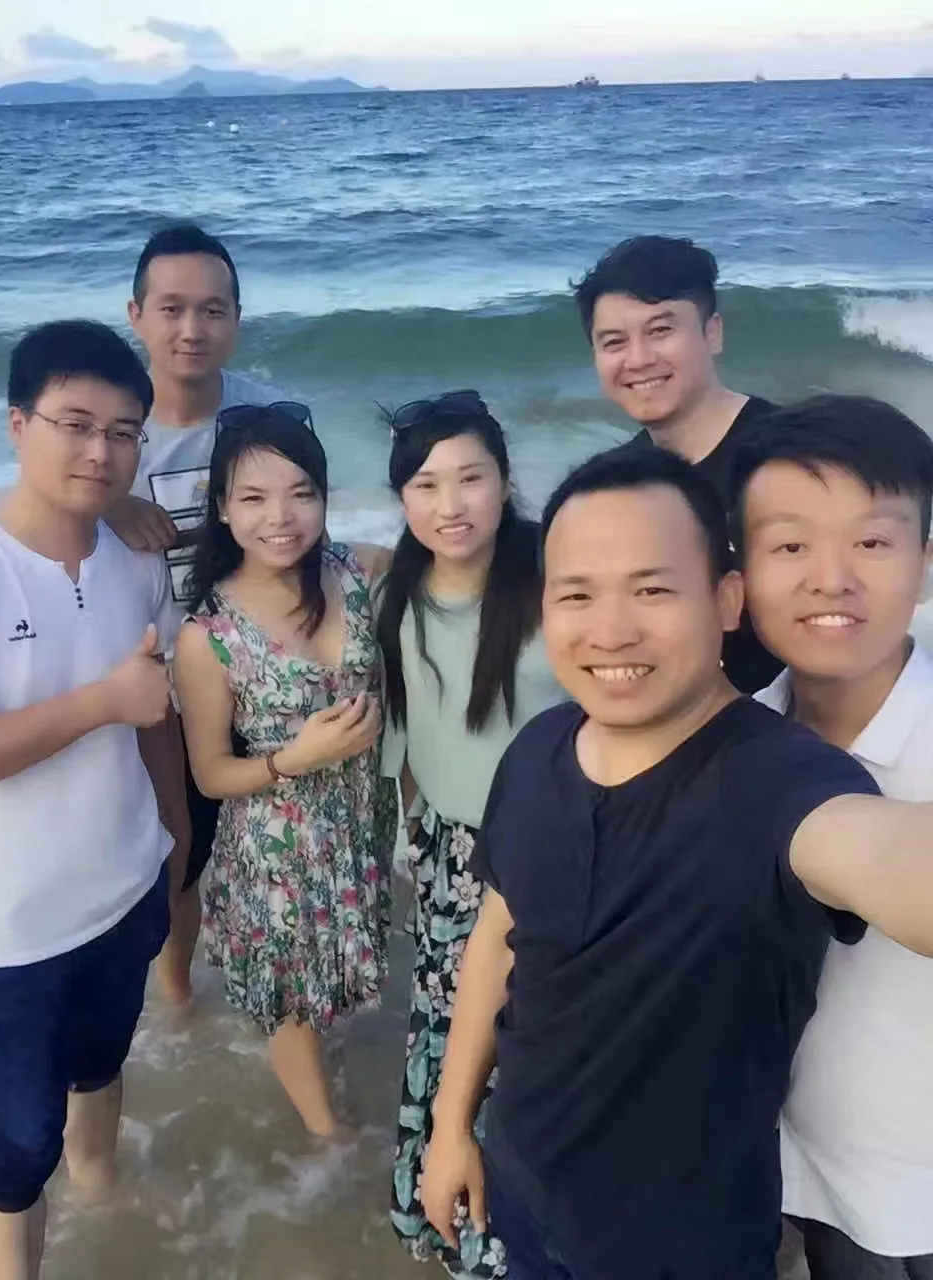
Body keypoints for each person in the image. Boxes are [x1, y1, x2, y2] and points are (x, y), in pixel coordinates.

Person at [420, 446, 933, 1280]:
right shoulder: (539, 747)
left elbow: (889, 858)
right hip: (521, 1190)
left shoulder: (782, 781)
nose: (611, 630)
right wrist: (450, 1128)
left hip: (684, 1248)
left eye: (653, 590)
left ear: (726, 600)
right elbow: (497, 939)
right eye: (577, 594)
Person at [0, 321, 181, 1280]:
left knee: (102, 1064)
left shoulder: (136, 556)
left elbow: (158, 714)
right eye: (76, 424)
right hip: (4, 931)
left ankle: (104, 1199)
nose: (101, 451)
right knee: (20, 1144)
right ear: (18, 423)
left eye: (124, 432)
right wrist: (102, 702)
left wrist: (176, 846)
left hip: (125, 884)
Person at [732, 396, 933, 1280]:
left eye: (873, 542)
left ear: (925, 561)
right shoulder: (732, 738)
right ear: (739, 572)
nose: (831, 578)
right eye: (789, 547)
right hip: (786, 1168)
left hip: (910, 1200)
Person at [376, 391, 566, 1278]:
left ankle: (540, 1229)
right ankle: (459, 1223)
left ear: (505, 482)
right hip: (452, 854)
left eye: (470, 479)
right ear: (401, 499)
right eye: (425, 484)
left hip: (558, 851)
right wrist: (410, 841)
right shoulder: (395, 595)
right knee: (455, 1033)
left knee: (541, 1038)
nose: (449, 505)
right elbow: (408, 736)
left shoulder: (555, 578)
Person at [172, 403, 395, 1140]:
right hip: (277, 845)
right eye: (254, 498)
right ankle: (331, 1143)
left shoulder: (360, 572)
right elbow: (210, 775)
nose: (281, 517)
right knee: (294, 1001)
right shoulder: (208, 636)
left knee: (335, 971)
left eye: (301, 492)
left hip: (360, 822)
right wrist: (291, 760)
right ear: (222, 508)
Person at [115, 222, 286, 1006]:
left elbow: (302, 528)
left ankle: (269, 989)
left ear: (236, 319)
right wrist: (110, 504)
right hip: (156, 682)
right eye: (172, 308)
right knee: (178, 848)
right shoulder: (112, 434)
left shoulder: (272, 416)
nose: (193, 328)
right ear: (136, 315)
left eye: (213, 310)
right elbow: (42, 517)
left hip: (259, 667)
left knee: (270, 841)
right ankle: (177, 991)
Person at [574, 234, 781, 692]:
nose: (638, 359)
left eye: (661, 331)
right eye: (613, 342)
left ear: (713, 333)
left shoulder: (787, 457)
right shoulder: (625, 480)